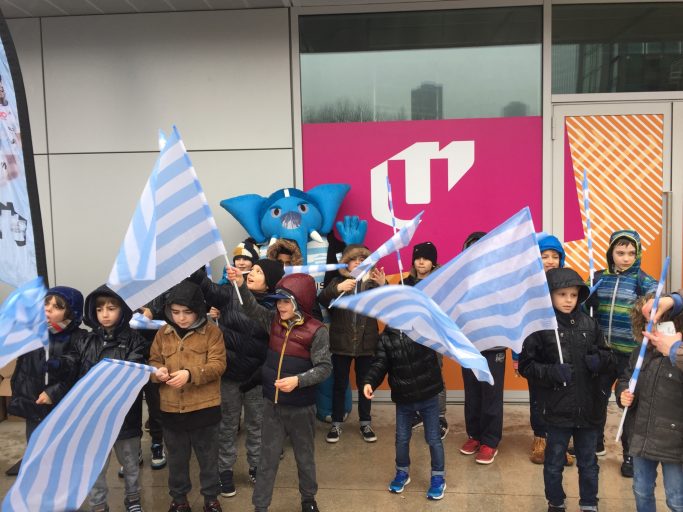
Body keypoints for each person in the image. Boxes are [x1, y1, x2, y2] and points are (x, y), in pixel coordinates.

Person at [227, 267, 331, 512]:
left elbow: (325, 368)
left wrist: (299, 380)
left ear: (301, 302)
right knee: (267, 459)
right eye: (278, 302)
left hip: (302, 408)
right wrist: (241, 284)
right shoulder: (273, 320)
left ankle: (308, 500)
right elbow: (250, 308)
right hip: (272, 405)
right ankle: (260, 505)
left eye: (286, 302)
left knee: (304, 458)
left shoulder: (317, 331)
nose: (280, 307)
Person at [519, 268, 613, 512]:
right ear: (549, 295)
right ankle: (556, 502)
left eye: (573, 294)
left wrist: (599, 360)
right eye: (562, 294)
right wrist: (551, 372)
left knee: (589, 462)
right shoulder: (541, 328)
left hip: (588, 409)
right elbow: (527, 366)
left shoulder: (590, 324)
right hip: (557, 408)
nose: (569, 300)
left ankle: (589, 503)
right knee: (553, 462)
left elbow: (607, 356)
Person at [196, 259, 285, 497]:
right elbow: (206, 287)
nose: (251, 273)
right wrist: (192, 267)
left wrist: (260, 374)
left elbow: (276, 346)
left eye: (259, 271)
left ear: (271, 282)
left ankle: (255, 466)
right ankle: (224, 470)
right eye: (251, 270)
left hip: (256, 380)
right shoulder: (229, 294)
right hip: (229, 376)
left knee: (257, 426)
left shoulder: (275, 309)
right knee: (227, 426)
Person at [66, 285, 147, 512]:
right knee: (95, 466)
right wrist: (57, 365)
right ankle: (98, 504)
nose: (105, 313)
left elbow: (133, 370)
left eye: (111, 308)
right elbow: (72, 367)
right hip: (92, 418)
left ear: (123, 310)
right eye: (100, 309)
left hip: (124, 418)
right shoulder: (85, 341)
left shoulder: (135, 341)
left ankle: (133, 500)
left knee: (130, 464)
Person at [584, 229, 657, 477]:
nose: (626, 258)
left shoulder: (643, 281)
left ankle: (629, 453)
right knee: (596, 398)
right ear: (610, 253)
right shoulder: (598, 278)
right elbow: (578, 301)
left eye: (631, 253)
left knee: (627, 402)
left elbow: (659, 300)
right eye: (620, 252)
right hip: (603, 351)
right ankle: (595, 443)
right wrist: (587, 300)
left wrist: (652, 302)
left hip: (630, 356)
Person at [149, 281, 226, 512]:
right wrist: (157, 372)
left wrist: (190, 374)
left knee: (208, 458)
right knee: (177, 459)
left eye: (187, 312)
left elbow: (219, 364)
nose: (181, 318)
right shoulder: (163, 333)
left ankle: (211, 498)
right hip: (172, 408)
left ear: (198, 310)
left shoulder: (212, 332)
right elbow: (153, 361)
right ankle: (179, 499)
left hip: (205, 408)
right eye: (175, 312)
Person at [7, 286, 85, 474]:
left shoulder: (80, 338)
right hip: (35, 405)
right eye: (46, 303)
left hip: (62, 406)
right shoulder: (34, 335)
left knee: (62, 455)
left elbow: (79, 375)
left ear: (71, 312)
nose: (48, 309)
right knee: (35, 448)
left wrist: (53, 393)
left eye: (57, 306)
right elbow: (23, 370)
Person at [362, 327, 446, 501]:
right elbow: (379, 363)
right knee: (401, 438)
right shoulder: (385, 338)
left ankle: (438, 477)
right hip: (403, 398)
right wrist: (369, 381)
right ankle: (402, 472)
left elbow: (438, 344)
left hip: (428, 394)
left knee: (433, 438)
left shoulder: (423, 329)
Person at [617, 298, 683, 512]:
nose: (655, 328)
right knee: (641, 490)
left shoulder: (679, 358)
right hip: (641, 434)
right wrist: (623, 394)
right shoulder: (639, 353)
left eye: (661, 321)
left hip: (674, 440)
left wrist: (675, 352)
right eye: (648, 322)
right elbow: (626, 379)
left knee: (676, 498)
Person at [318, 244, 385, 444]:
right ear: (346, 262)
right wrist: (338, 288)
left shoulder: (373, 284)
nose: (358, 262)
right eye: (354, 259)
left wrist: (383, 287)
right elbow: (321, 299)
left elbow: (386, 306)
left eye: (362, 259)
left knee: (366, 385)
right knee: (339, 384)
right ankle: (336, 423)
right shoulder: (338, 281)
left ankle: (365, 422)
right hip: (341, 343)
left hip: (367, 344)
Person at [517, 232, 570, 466]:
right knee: (538, 397)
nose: (550, 260)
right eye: (544, 255)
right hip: (536, 354)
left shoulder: (568, 283)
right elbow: (519, 323)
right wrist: (518, 356)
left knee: (562, 397)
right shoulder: (527, 286)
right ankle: (540, 439)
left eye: (554, 256)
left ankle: (559, 443)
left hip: (562, 352)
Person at [458, 232, 507, 465]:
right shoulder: (461, 280)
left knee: (491, 394)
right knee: (473, 393)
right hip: (468, 346)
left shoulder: (501, 277)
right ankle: (474, 435)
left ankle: (490, 441)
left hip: (494, 345)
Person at [403, 241, 449, 439]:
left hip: (433, 337)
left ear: (433, 262)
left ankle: (439, 417)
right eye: (418, 258)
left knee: (435, 376)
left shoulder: (440, 283)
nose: (421, 262)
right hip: (410, 336)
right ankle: (416, 414)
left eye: (426, 258)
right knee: (412, 374)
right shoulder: (405, 282)